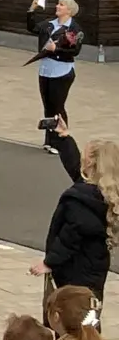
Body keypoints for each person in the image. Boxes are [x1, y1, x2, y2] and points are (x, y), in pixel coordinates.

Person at [33, 125, 117, 306]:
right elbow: (76, 169)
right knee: (89, 317)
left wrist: (50, 262)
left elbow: (69, 236)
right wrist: (65, 139)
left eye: (84, 156)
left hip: (73, 271)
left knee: (70, 321)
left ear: (90, 164)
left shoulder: (81, 199)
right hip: (94, 268)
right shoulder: (105, 193)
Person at [29, 0, 83, 153]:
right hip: (45, 69)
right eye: (58, 4)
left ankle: (61, 141)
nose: (57, 7)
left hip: (62, 71)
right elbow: (32, 27)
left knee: (58, 106)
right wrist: (32, 9)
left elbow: (75, 50)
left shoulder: (74, 29)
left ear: (70, 11)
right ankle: (49, 140)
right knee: (47, 106)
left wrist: (56, 50)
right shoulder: (49, 24)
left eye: (61, 5)